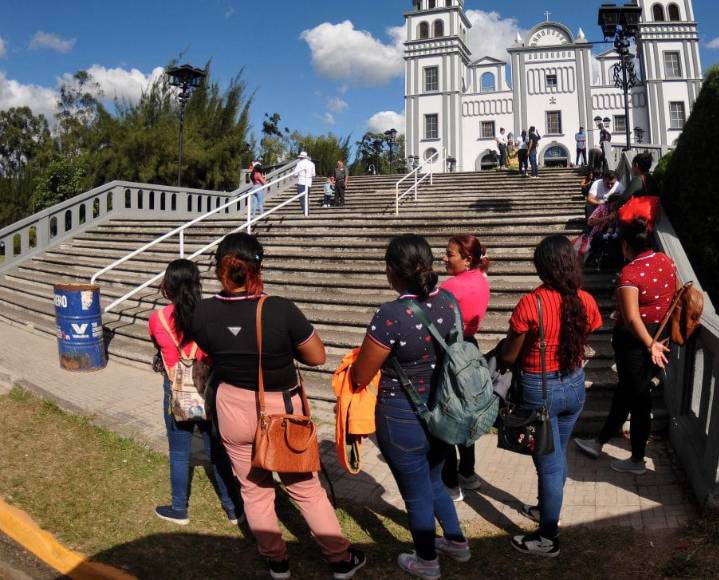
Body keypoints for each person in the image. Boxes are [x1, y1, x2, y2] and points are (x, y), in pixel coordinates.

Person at [187, 233, 365, 580]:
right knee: (305, 488)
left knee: (253, 489)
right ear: (258, 268)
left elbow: (210, 349)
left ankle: (276, 561)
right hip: (280, 409)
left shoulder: (203, 311)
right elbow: (316, 356)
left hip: (231, 406)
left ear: (219, 268)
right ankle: (340, 559)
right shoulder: (279, 309)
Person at [351, 235, 469, 579]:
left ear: (391, 271)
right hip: (444, 410)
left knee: (416, 493)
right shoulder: (448, 302)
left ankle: (427, 560)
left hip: (401, 415)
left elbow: (362, 374)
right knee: (433, 479)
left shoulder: (390, 315)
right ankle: (457, 542)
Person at [500, 235, 603, 557]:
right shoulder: (585, 299)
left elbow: (508, 358)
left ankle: (547, 537)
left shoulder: (532, 303)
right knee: (555, 456)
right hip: (574, 385)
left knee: (549, 464)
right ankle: (546, 509)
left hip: (539, 389)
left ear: (542, 267)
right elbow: (587, 331)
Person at [574, 218, 676, 474]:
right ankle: (599, 442)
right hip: (660, 336)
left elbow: (631, 318)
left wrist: (649, 344)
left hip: (636, 343)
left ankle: (637, 461)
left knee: (640, 401)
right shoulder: (665, 261)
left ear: (627, 245)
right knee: (627, 392)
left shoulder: (629, 274)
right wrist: (654, 341)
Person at [148, 259, 241, 527]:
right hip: (208, 387)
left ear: (168, 285)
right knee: (217, 451)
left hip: (176, 390)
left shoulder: (157, 319)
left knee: (179, 452)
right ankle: (233, 509)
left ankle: (179, 508)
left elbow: (157, 343)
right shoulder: (210, 314)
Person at [438, 234, 491, 500]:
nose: (444, 258)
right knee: (466, 412)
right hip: (471, 347)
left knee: (448, 415)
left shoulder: (451, 288)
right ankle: (468, 473)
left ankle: (450, 483)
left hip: (451, 350)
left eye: (450, 254)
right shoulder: (481, 278)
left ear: (467, 259)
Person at [295, 151, 315, 215]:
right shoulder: (312, 164)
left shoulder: (299, 163)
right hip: (309, 183)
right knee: (306, 198)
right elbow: (313, 174)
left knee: (302, 198)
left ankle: (306, 212)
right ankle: (307, 212)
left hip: (301, 182)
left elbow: (295, 173)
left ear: (301, 157)